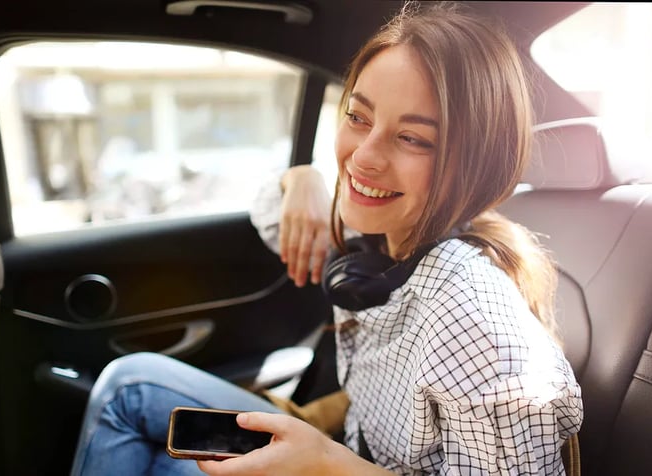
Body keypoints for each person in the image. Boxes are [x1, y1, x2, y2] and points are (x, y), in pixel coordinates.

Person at [70, 2, 583, 475]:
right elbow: (273, 217)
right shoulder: (377, 242)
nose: (363, 157)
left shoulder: (472, 312)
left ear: (477, 162)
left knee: (148, 435)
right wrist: (303, 180)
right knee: (129, 386)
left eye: (412, 138)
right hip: (346, 449)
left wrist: (328, 464)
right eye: (358, 117)